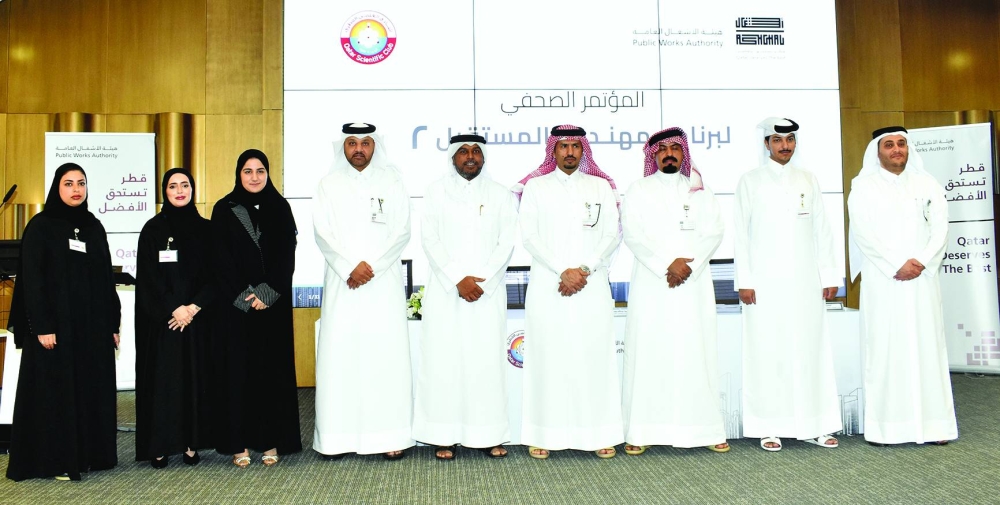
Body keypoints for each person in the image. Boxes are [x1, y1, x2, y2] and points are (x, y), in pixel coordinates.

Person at [5, 163, 121, 481]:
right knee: (56, 394)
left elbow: (105, 278)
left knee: (89, 389)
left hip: (91, 329)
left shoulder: (93, 226)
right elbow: (33, 280)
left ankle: (89, 455)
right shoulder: (41, 226)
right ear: (57, 187)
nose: (76, 189)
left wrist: (113, 324)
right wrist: (42, 326)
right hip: (56, 330)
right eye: (69, 183)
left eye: (81, 183)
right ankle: (56, 461)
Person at [733, 118, 843, 452]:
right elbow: (741, 234)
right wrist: (744, 281)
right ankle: (769, 426)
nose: (785, 146)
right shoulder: (750, 181)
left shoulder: (808, 179)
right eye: (778, 140)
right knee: (768, 351)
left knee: (811, 350)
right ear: (766, 144)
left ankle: (816, 424)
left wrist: (829, 276)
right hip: (764, 284)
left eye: (790, 139)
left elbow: (822, 230)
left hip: (806, 281)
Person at [516, 125, 623, 459]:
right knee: (548, 358)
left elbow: (612, 234)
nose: (570, 152)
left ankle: (599, 433)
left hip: (591, 285)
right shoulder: (536, 187)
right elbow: (529, 236)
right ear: (553, 150)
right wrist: (562, 269)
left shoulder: (600, 186)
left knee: (593, 356)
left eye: (576, 146)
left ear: (583, 150)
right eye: (563, 146)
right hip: (548, 285)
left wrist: (584, 269)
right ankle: (544, 434)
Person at [620, 127, 729, 455]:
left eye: (675, 148)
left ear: (684, 153)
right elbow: (633, 234)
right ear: (653, 155)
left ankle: (704, 428)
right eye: (662, 149)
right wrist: (666, 265)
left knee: (695, 353)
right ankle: (642, 430)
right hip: (652, 285)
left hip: (693, 286)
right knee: (649, 354)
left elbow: (714, 232)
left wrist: (687, 267)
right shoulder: (638, 190)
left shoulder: (701, 191)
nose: (669, 154)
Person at [847, 126, 957, 446]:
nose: (897, 149)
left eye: (901, 144)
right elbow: (864, 234)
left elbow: (940, 229)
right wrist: (897, 264)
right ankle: (888, 429)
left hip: (922, 279)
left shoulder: (927, 183)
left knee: (928, 348)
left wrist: (920, 261)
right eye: (889, 145)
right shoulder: (863, 187)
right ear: (877, 151)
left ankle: (935, 427)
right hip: (885, 280)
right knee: (886, 349)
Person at [413, 133, 518, 460]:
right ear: (453, 158)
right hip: (447, 292)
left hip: (486, 293)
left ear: (483, 157)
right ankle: (442, 436)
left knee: (485, 364)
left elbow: (506, 242)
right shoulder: (435, 192)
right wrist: (458, 279)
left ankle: (488, 435)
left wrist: (481, 281)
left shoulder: (500, 194)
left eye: (475, 151)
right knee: (444, 363)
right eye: (463, 152)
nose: (470, 156)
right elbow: (429, 239)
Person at [312, 123, 414, 460]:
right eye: (352, 143)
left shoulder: (392, 181)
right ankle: (336, 439)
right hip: (343, 285)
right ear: (343, 147)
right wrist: (348, 268)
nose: (359, 149)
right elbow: (322, 232)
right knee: (340, 359)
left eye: (366, 143)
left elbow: (402, 231)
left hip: (381, 285)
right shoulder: (328, 184)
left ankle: (390, 436)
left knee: (384, 359)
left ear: (375, 146)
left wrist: (372, 267)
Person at [211, 149, 300, 468]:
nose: (254, 177)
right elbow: (219, 259)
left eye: (260, 170)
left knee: (271, 373)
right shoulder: (224, 208)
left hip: (273, 307)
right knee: (239, 374)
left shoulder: (281, 207)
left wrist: (267, 292)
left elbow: (287, 255)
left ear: (268, 173)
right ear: (239, 174)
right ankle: (239, 444)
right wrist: (245, 296)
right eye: (247, 171)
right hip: (237, 308)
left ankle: (271, 441)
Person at [134, 168, 215, 469]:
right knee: (165, 383)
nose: (179, 191)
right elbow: (148, 278)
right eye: (172, 186)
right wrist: (174, 308)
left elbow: (216, 275)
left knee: (194, 380)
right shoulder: (153, 229)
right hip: (163, 322)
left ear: (192, 189)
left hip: (197, 321)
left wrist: (193, 307)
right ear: (164, 192)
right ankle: (160, 445)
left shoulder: (207, 229)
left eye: (185, 185)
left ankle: (192, 443)